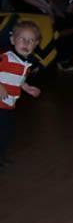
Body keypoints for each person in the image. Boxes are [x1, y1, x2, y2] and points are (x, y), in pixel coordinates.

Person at [0, 20, 42, 171]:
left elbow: (18, 80)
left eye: (31, 40)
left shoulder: (25, 64)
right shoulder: (6, 58)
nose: (26, 43)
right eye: (22, 39)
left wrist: (27, 87)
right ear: (12, 40)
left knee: (7, 132)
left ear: (36, 44)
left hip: (8, 104)